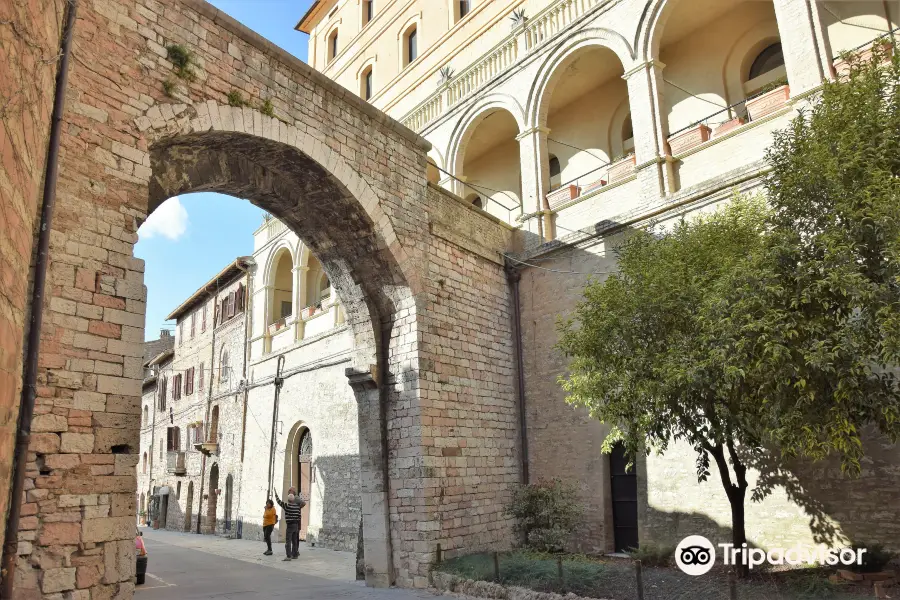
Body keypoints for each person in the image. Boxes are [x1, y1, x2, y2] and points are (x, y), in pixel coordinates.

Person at [274, 490, 306, 560]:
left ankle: (288, 556)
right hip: (296, 525)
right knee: (294, 541)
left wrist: (276, 494)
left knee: (288, 541)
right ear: (294, 499)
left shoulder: (287, 506)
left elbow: (279, 502)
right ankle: (295, 555)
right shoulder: (298, 507)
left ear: (288, 500)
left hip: (290, 525)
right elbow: (299, 516)